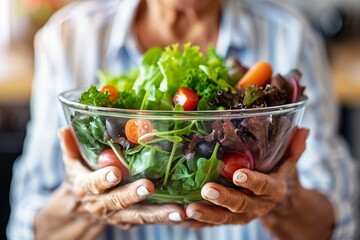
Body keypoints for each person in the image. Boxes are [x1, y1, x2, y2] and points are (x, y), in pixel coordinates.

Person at [7, 0, 359, 239]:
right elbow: (26, 224)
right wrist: (81, 202)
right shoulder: (69, 37)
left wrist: (286, 203)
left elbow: (341, 221)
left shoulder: (291, 36)